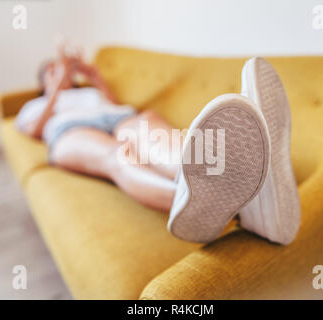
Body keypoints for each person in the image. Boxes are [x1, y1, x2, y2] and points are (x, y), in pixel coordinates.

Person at [16, 44, 300, 244]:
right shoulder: (35, 105)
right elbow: (34, 131)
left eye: (62, 69)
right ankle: (230, 203)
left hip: (116, 119)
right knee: (118, 156)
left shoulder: (89, 92)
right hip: (70, 131)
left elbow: (113, 105)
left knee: (152, 132)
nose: (62, 72)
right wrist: (54, 89)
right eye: (52, 71)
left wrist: (93, 76)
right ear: (42, 83)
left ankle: (216, 177)